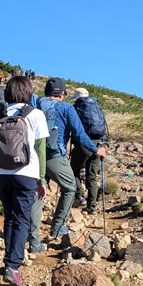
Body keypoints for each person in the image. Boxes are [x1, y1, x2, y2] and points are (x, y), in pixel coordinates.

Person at [30, 79, 107, 250]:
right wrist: (96, 150)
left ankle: (34, 240)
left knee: (38, 194)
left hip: (35, 156)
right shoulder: (66, 108)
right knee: (70, 187)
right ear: (62, 94)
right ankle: (58, 226)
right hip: (54, 156)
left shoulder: (37, 105)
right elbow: (79, 134)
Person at [0, 75, 48, 286]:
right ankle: (12, 266)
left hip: (1, 173)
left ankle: (9, 261)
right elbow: (40, 150)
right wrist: (42, 179)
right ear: (29, 92)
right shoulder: (36, 114)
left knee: (9, 217)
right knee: (22, 219)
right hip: (26, 172)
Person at [69, 87, 109, 212]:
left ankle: (79, 196)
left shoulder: (76, 108)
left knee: (73, 170)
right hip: (99, 144)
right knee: (92, 175)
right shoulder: (97, 107)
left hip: (84, 143)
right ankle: (92, 206)